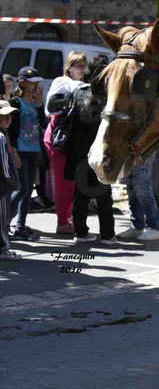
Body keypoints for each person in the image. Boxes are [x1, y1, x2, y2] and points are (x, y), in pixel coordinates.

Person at [66, 55, 117, 244]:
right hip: (101, 151)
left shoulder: (79, 92)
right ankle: (107, 234)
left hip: (81, 152)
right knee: (103, 194)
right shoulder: (110, 96)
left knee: (81, 194)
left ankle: (80, 232)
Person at [44, 51, 87, 234]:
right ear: (69, 67)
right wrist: (75, 96)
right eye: (79, 65)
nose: (83, 69)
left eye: (84, 65)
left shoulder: (82, 84)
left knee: (72, 182)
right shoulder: (63, 82)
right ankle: (62, 222)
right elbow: (51, 107)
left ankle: (68, 219)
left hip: (71, 140)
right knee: (64, 182)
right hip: (58, 140)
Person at [8, 66, 47, 241]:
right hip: (20, 150)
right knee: (22, 188)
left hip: (34, 151)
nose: (35, 86)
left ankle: (20, 227)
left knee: (29, 189)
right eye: (32, 83)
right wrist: (13, 151)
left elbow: (43, 125)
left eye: (36, 83)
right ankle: (4, 220)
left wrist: (39, 104)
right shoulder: (15, 102)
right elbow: (9, 129)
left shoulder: (36, 101)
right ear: (22, 83)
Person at [117, 159, 159, 241]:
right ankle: (137, 226)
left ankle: (155, 227)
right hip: (132, 149)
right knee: (131, 184)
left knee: (141, 185)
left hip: (143, 149)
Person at [0, 100, 20, 260]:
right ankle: (3, 249)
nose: (7, 120)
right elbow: (4, 164)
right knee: (3, 218)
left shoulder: (4, 134)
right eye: (3, 116)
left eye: (9, 116)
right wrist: (9, 179)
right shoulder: (1, 137)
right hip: (2, 185)